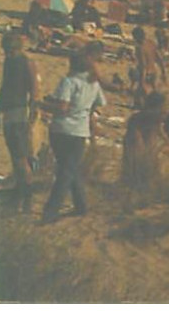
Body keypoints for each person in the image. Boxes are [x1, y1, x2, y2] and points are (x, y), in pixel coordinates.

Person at [42, 51, 106, 223]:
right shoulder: (93, 83)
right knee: (70, 168)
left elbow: (62, 107)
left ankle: (51, 210)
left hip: (61, 129)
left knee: (65, 170)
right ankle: (80, 205)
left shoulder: (69, 82)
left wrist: (43, 105)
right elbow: (100, 103)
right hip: (79, 131)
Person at [0, 32, 41, 212]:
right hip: (9, 113)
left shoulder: (26, 63)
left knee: (22, 159)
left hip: (20, 114)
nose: (7, 54)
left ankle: (26, 199)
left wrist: (32, 116)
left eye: (9, 51)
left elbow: (34, 92)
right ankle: (19, 195)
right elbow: (4, 87)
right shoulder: (10, 62)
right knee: (16, 158)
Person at [120, 91, 167, 201]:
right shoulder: (142, 117)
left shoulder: (153, 117)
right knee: (136, 171)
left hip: (141, 146)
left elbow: (156, 134)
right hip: (136, 145)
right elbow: (136, 134)